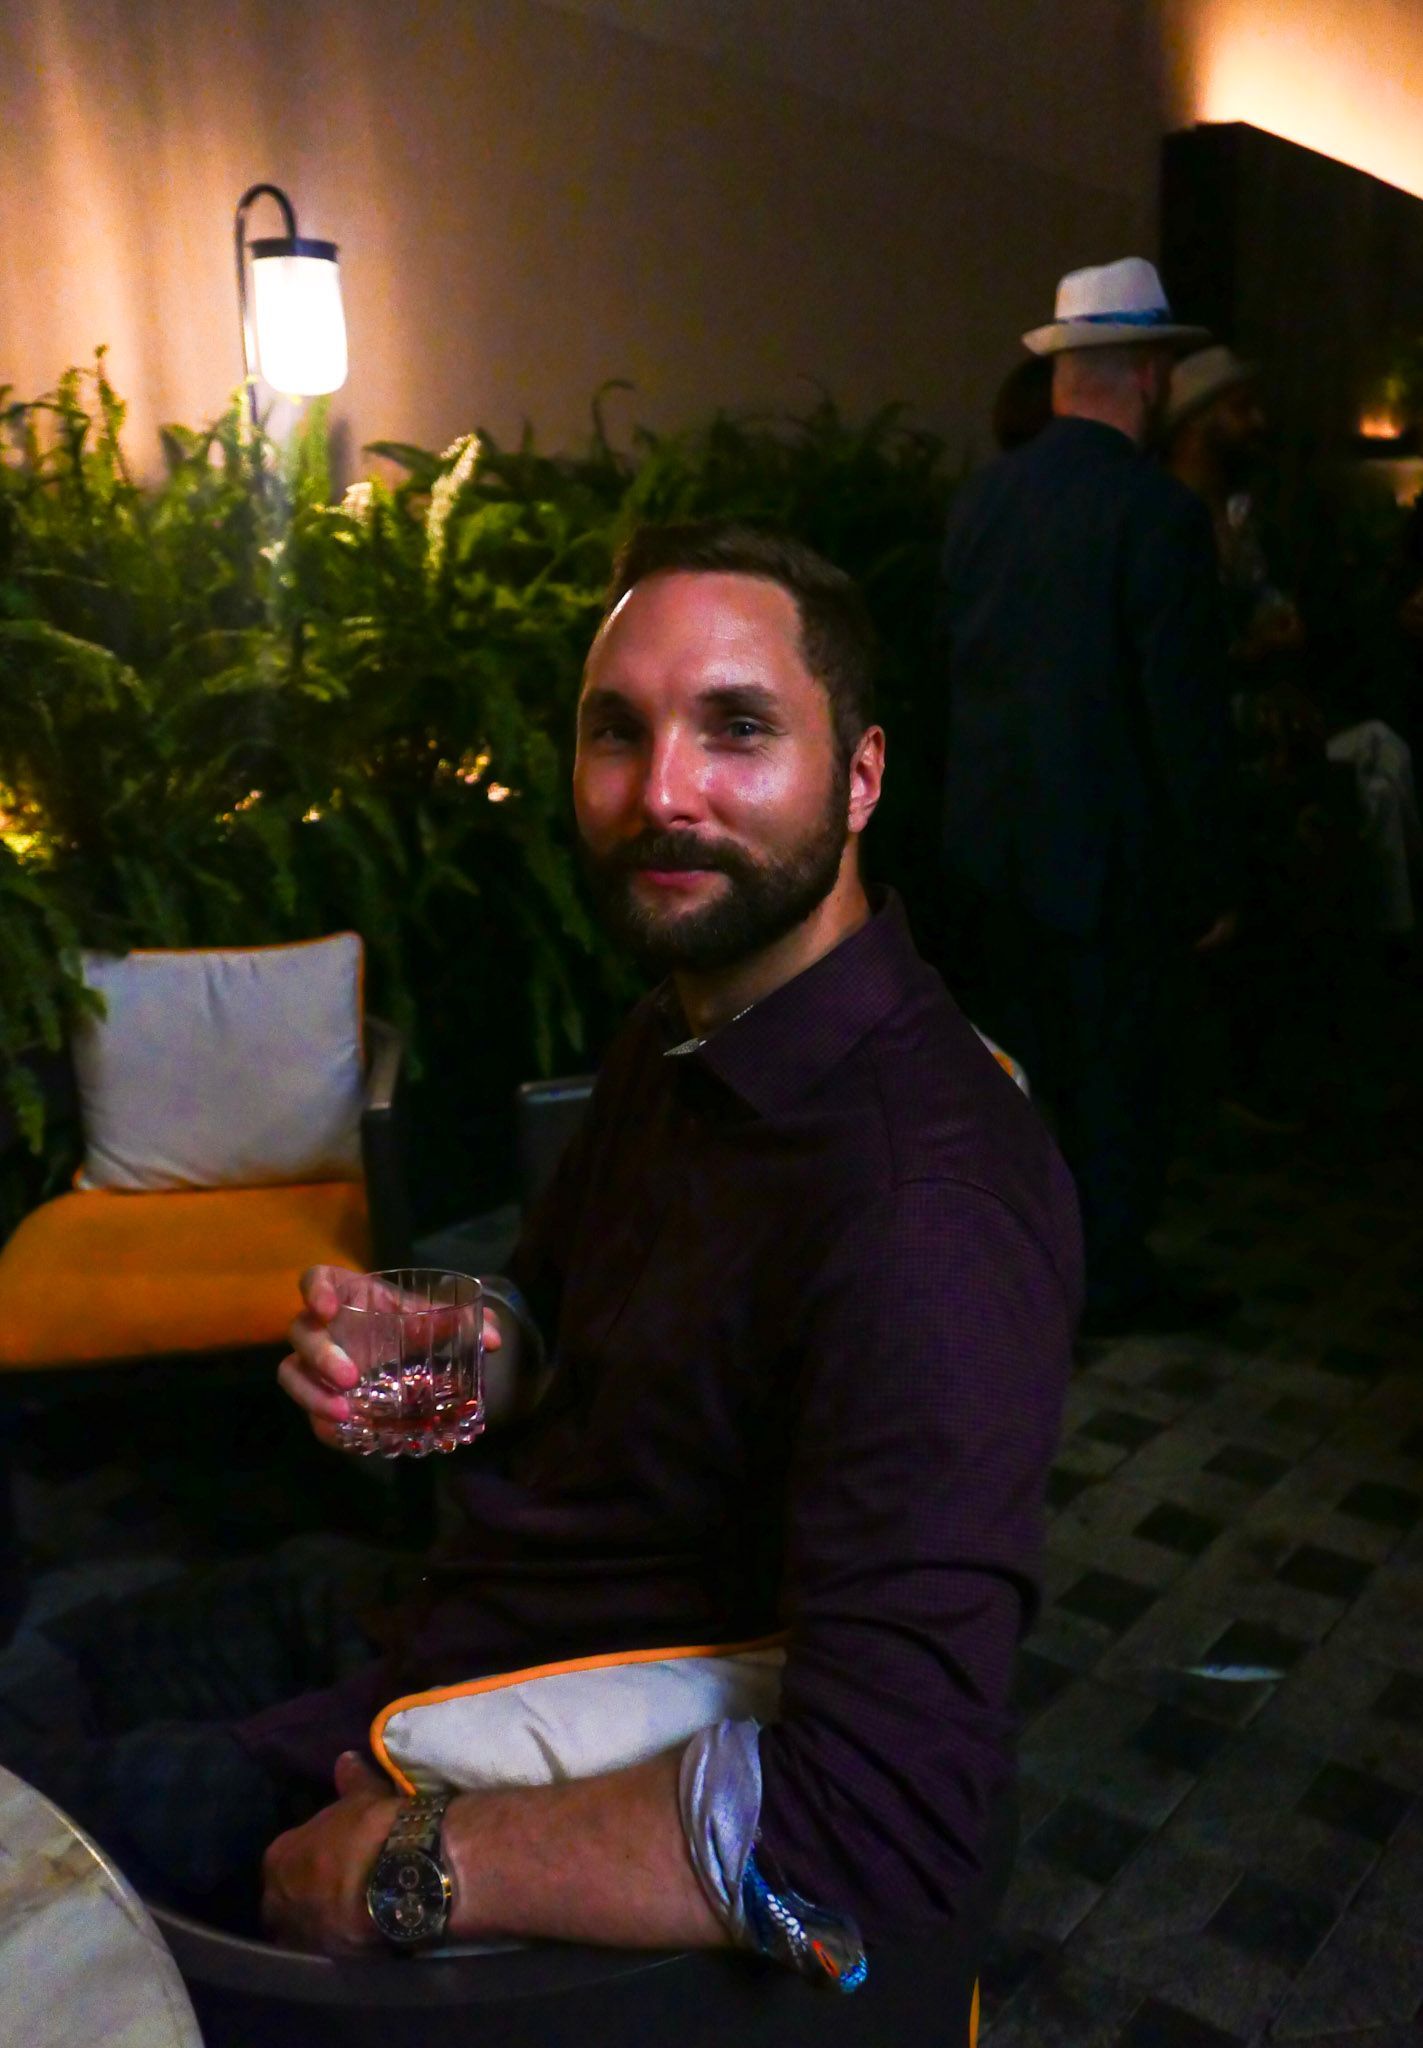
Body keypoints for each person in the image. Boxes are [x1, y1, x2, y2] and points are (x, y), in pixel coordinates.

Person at [3, 524, 1079, 2012]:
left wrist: (417, 1867)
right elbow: (553, 1321)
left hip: (483, 1723)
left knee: (29, 1825)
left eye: (738, 729)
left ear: (861, 775)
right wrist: (452, 1347)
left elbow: (889, 1823)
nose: (661, 793)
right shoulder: (681, 1031)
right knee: (45, 1654)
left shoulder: (922, 1210)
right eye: (616, 732)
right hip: (441, 1601)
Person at [935, 258, 1238, 1338]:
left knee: (1016, 1078)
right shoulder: (1156, 512)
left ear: (1064, 372)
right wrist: (1211, 872)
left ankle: (1018, 1263)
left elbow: (951, 672)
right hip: (1108, 868)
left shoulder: (981, 499)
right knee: (1119, 1087)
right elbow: (1181, 714)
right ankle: (1104, 1276)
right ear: (1148, 375)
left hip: (987, 852)